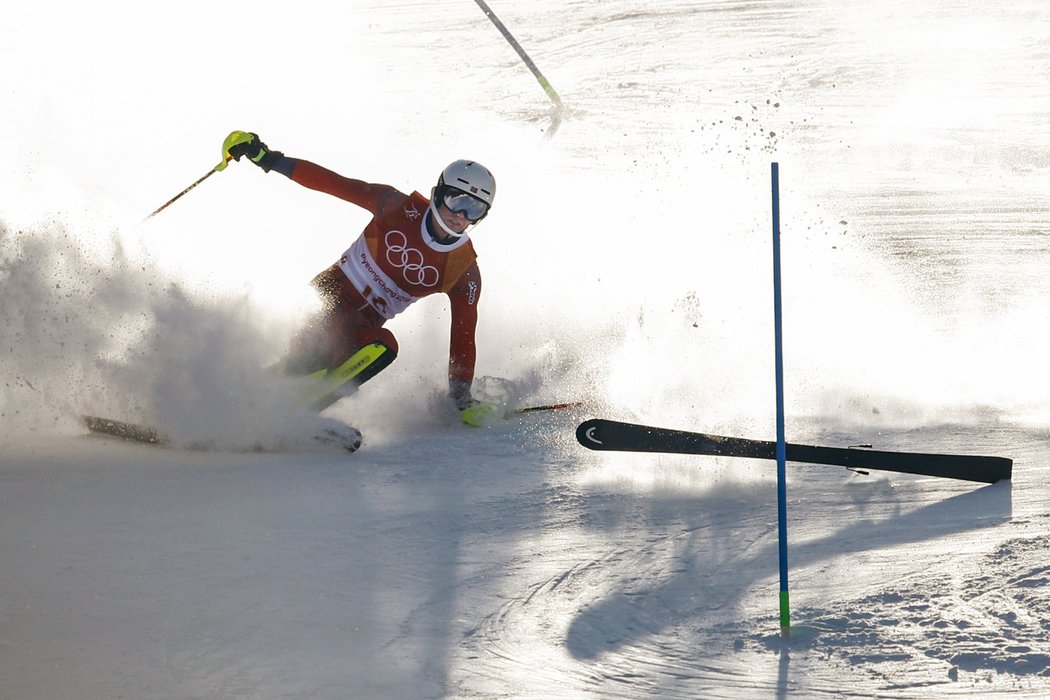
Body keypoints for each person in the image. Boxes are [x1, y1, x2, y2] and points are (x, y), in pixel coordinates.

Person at [221, 130, 498, 426]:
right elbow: (331, 183)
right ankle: (244, 399)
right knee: (307, 358)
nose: (461, 215)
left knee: (384, 346)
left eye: (475, 209)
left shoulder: (463, 271)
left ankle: (292, 415)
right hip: (326, 299)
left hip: (361, 328)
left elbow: (464, 337)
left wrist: (460, 397)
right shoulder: (395, 206)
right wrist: (268, 159)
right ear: (438, 193)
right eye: (457, 201)